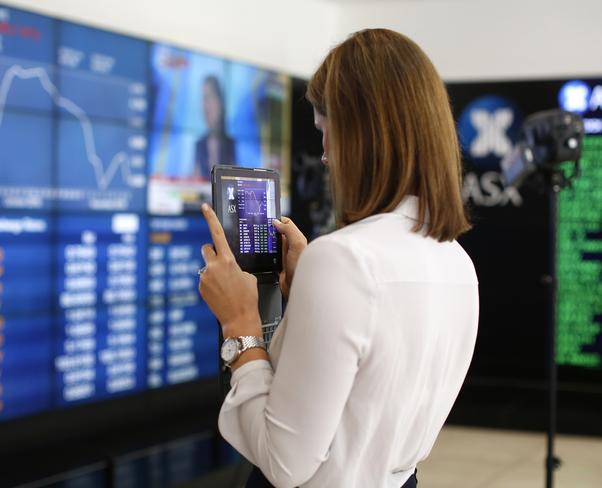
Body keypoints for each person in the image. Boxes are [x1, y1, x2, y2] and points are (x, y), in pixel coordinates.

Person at [198, 28, 479, 488]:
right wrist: (309, 292)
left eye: (325, 132)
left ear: (360, 132)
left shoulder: (342, 260)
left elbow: (285, 462)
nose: (325, 155)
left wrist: (240, 328)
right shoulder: (457, 261)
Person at [195, 75, 236, 178]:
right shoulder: (199, 145)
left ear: (221, 102)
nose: (205, 107)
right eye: (204, 99)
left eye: (209, 97)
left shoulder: (231, 144)